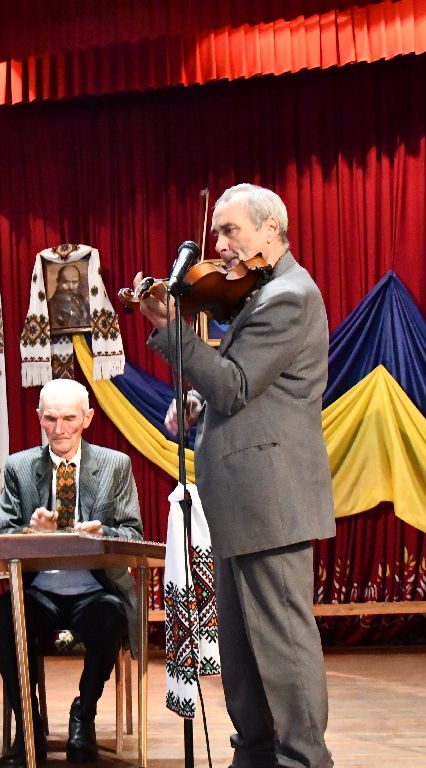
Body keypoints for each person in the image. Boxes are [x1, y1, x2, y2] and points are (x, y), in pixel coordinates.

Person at [135, 183, 336, 768]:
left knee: (283, 644)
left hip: (270, 498)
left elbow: (236, 385)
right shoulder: (256, 296)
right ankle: (254, 754)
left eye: (230, 230)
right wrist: (198, 404)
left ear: (271, 229)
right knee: (243, 649)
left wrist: (174, 331)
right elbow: (246, 392)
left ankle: (304, 760)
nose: (219, 245)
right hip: (241, 499)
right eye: (217, 232)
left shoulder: (288, 296)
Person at [0, 378, 142, 766]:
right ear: (38, 417)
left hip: (95, 590)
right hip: (39, 591)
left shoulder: (115, 465)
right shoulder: (19, 467)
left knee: (111, 615)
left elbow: (133, 534)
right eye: (50, 419)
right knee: (5, 613)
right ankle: (29, 725)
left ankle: (83, 716)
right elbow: (1, 535)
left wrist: (102, 534)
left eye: (69, 419)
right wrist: (31, 533)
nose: (59, 430)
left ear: (87, 418)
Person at [48, 264, 91, 330]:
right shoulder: (51, 306)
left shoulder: (82, 300)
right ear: (58, 281)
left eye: (75, 282)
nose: (71, 287)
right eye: (66, 282)